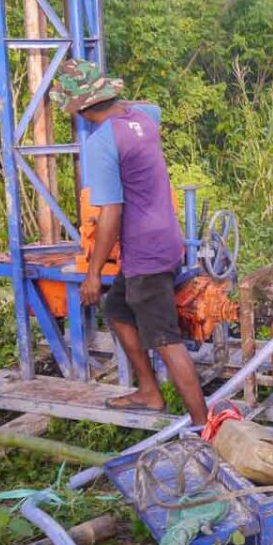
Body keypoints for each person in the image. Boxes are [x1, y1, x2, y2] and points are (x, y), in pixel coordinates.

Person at [51, 58, 208, 426]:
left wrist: (92, 274)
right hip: (168, 238)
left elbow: (111, 214)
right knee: (119, 310)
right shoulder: (145, 116)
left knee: (165, 339)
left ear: (80, 109)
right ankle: (150, 393)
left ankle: (205, 426)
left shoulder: (101, 143)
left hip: (146, 251)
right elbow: (147, 105)